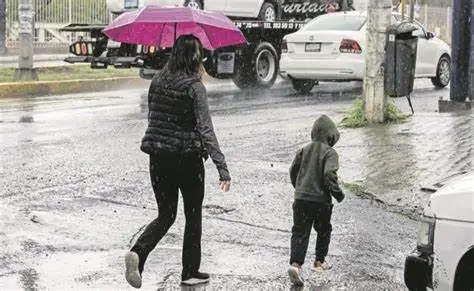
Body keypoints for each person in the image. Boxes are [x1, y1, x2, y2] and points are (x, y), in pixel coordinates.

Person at [124, 35, 231, 289]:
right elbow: (206, 130)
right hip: (187, 160)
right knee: (192, 216)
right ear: (195, 58)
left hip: (158, 158)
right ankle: (190, 271)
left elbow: (154, 117)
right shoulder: (195, 87)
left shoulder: (157, 80)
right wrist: (221, 166)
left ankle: (138, 254)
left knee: (166, 214)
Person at [287, 114, 345, 286]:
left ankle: (296, 265)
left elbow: (293, 170)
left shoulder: (303, 150)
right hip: (321, 201)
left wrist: (299, 188)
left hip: (301, 199)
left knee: (299, 231)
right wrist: (337, 193)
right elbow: (329, 174)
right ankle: (319, 262)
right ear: (331, 136)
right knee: (324, 229)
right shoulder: (330, 153)